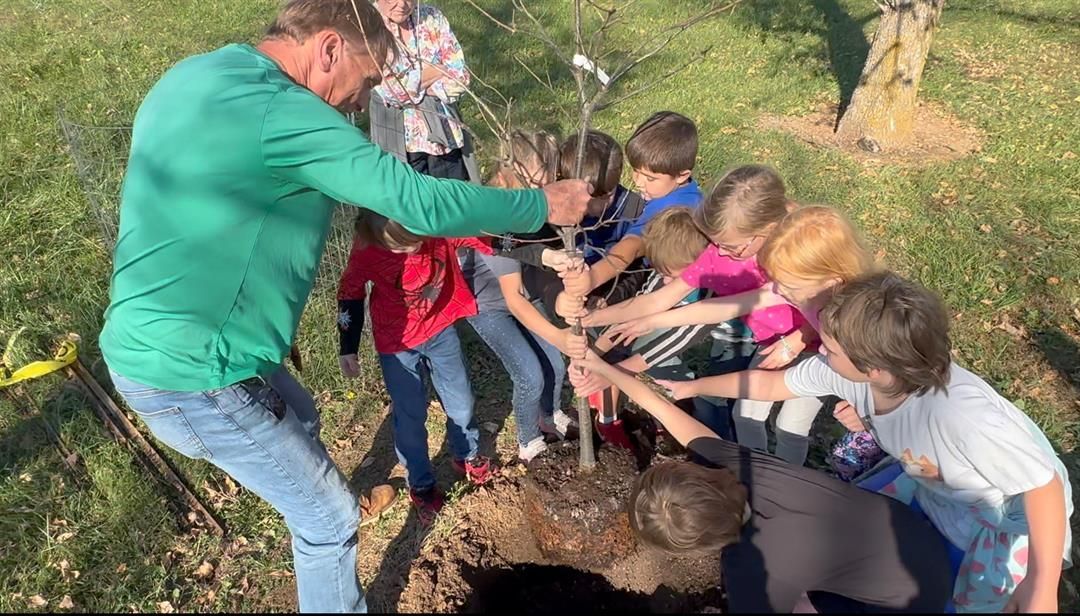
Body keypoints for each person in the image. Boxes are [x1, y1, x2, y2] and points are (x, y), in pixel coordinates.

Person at [101, 1, 588, 612]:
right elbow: (416, 203)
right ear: (330, 49)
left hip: (164, 336)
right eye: (370, 75)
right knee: (328, 522)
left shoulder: (201, 74)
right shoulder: (287, 113)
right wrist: (537, 205)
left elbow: (201, 209)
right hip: (193, 373)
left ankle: (310, 483)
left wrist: (257, 309)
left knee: (300, 415)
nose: (364, 100)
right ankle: (324, 515)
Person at [656, 272, 1073, 613]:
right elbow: (770, 385)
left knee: (966, 605)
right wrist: (690, 388)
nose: (820, 352)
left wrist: (1041, 585)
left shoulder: (961, 417)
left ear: (872, 368)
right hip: (937, 486)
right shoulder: (855, 373)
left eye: (831, 348)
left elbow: (1042, 486)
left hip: (1002, 521)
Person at [569, 348, 953, 613]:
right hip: (911, 532)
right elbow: (664, 411)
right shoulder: (739, 467)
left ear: (702, 547)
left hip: (915, 600)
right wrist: (604, 369)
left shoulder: (752, 569)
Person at [581, 166, 821, 465]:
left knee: (790, 426)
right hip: (770, 341)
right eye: (715, 242)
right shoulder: (721, 253)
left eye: (730, 246)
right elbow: (666, 302)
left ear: (766, 229)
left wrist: (798, 340)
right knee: (746, 415)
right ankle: (759, 476)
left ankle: (788, 479)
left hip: (816, 346)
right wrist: (587, 319)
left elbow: (825, 307)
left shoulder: (796, 257)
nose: (718, 252)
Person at [338, 211, 495, 523]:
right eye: (397, 248)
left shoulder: (436, 228)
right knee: (410, 414)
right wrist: (348, 346)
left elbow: (489, 235)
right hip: (396, 341)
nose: (409, 251)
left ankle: (466, 453)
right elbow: (351, 291)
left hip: (440, 327)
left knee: (461, 401)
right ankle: (421, 485)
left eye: (412, 242)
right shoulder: (367, 248)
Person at [457, 130, 586, 462]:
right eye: (536, 182)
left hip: (525, 296)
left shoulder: (529, 205)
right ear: (506, 174)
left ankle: (550, 414)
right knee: (529, 374)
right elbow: (512, 298)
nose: (542, 191)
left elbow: (537, 262)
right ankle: (528, 442)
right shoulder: (494, 219)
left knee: (554, 365)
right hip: (490, 307)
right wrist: (558, 335)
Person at [555, 111, 702, 313]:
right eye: (636, 171)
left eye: (650, 178)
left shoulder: (671, 208)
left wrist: (592, 278)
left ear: (682, 175)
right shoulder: (686, 193)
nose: (638, 182)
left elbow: (631, 247)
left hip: (677, 294)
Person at [368, 0, 478, 181]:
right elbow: (389, 91)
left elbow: (461, 78)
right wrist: (437, 70)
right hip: (399, 141)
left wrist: (410, 83)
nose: (402, 4)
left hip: (445, 138)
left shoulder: (432, 18)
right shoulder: (369, 26)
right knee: (408, 204)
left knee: (451, 204)